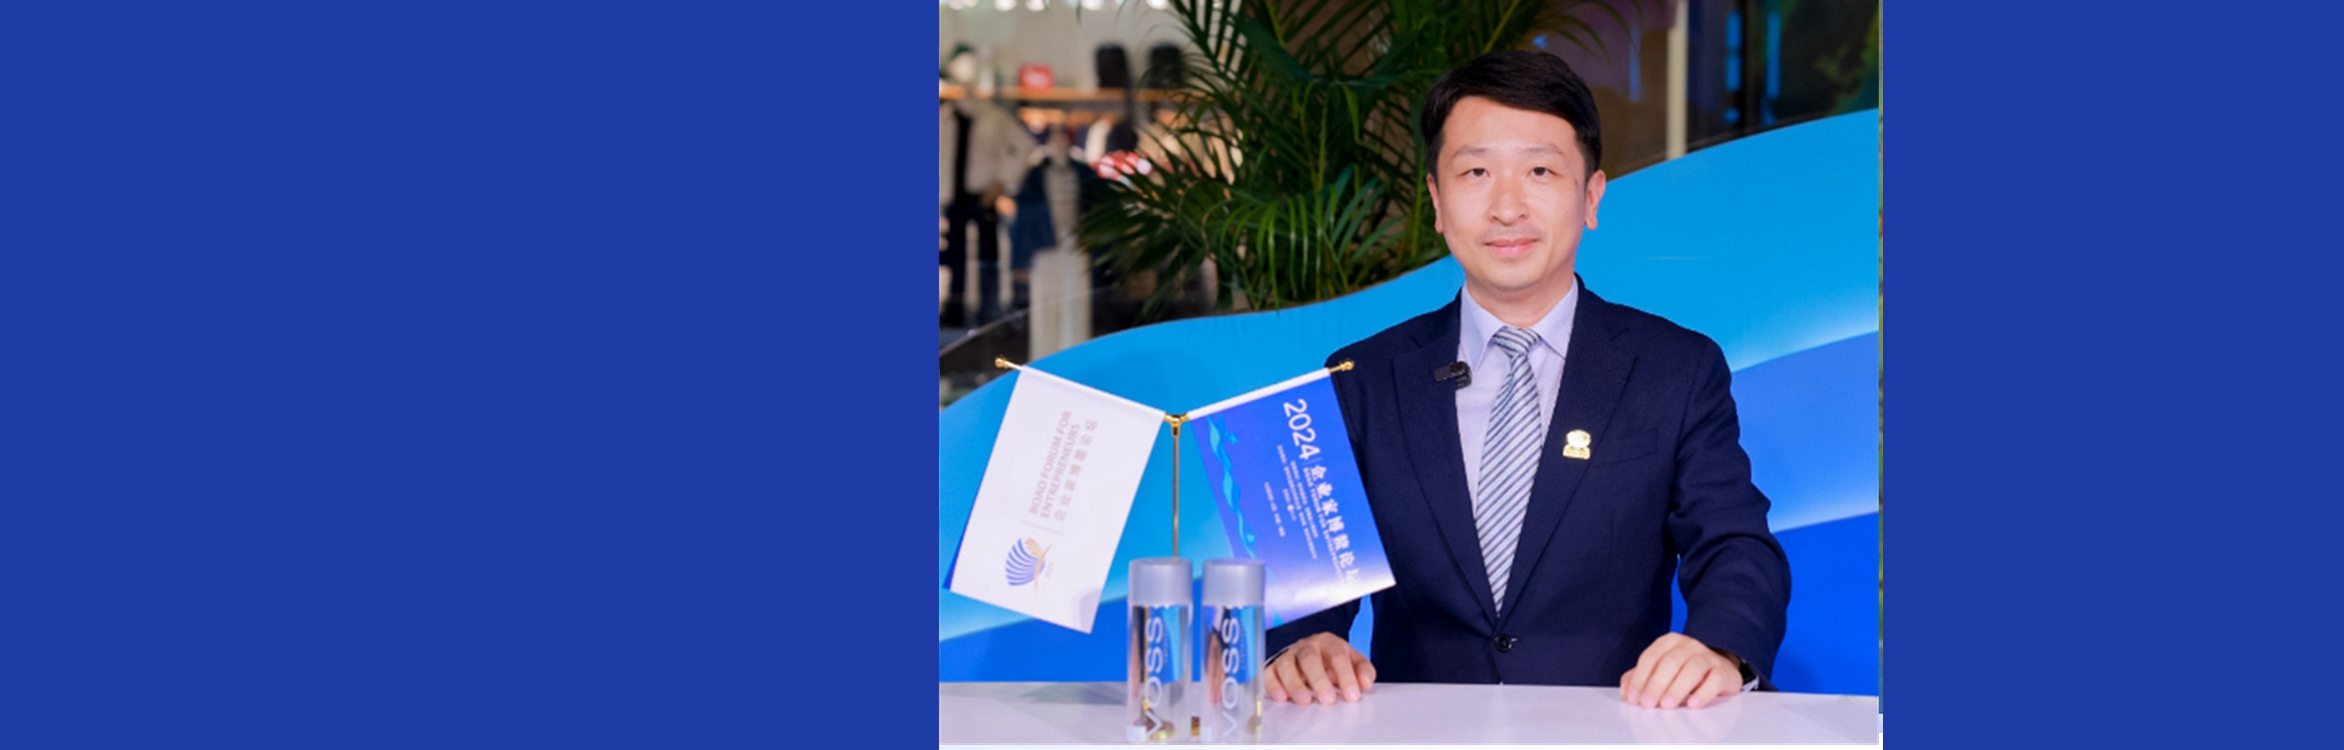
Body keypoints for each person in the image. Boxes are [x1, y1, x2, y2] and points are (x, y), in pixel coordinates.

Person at [1261, 50, 1791, 712]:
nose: (1507, 208)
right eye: (1476, 172)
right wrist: (1298, 646)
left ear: (1591, 197)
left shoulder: (1675, 369)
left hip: (1612, 729)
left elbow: (1735, 543)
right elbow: (1308, 577)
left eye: (1540, 171)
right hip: (1417, 732)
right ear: (1436, 201)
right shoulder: (1360, 379)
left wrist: (1718, 647)